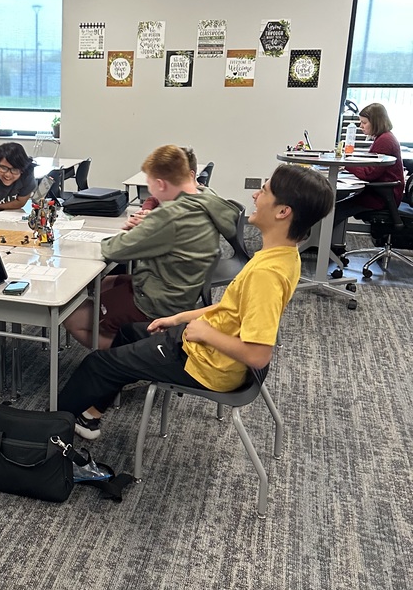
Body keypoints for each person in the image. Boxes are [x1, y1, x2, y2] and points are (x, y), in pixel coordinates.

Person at [57, 164, 334, 441]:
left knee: (96, 364)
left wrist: (205, 332)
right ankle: (90, 416)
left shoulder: (266, 274)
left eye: (264, 191)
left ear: (282, 211)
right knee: (129, 332)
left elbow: (258, 355)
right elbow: (235, 308)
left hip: (206, 363)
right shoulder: (283, 255)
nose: (255, 196)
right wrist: (180, 318)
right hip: (205, 342)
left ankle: (48, 436)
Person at [63, 145, 239, 349]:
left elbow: (114, 250)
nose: (149, 192)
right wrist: (150, 226)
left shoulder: (171, 215)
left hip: (159, 301)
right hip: (181, 289)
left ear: (161, 184)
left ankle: (127, 356)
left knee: (74, 320)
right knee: (106, 282)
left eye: (149, 185)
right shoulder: (207, 197)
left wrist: (145, 228)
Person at [332, 102, 406, 250]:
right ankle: (328, 245)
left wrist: (346, 164)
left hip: (382, 196)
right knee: (335, 205)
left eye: (364, 122)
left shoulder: (385, 140)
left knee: (334, 210)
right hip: (381, 192)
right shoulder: (383, 138)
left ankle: (321, 247)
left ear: (376, 122)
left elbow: (370, 173)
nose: (361, 126)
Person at [123, 146, 199, 231]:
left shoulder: (193, 212)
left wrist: (149, 224)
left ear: (190, 176)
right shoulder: (204, 199)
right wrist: (147, 212)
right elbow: (153, 199)